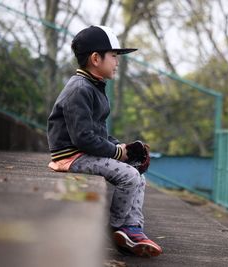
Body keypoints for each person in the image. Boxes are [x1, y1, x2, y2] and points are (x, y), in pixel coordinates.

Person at [46, 25, 162, 257]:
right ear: (96, 58)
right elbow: (83, 138)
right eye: (114, 56)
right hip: (71, 156)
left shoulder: (94, 86)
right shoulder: (80, 89)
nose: (118, 62)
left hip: (82, 152)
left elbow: (97, 133)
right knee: (128, 176)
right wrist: (117, 153)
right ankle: (118, 228)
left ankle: (133, 227)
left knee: (137, 174)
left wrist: (124, 148)